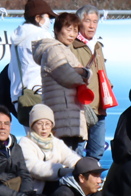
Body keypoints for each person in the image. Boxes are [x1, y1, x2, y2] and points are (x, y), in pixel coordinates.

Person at [33, 12, 90, 150]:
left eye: (75, 31)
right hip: (63, 115)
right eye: (68, 29)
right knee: (67, 163)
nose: (72, 34)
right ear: (57, 30)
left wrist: (82, 72)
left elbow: (81, 73)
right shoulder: (54, 50)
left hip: (69, 114)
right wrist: (84, 72)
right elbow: (69, 77)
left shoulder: (64, 50)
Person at [8, 0, 57, 127]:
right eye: (48, 18)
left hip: (20, 98)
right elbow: (55, 63)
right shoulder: (42, 35)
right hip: (39, 94)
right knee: (44, 142)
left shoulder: (16, 39)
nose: (50, 22)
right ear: (38, 18)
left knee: (32, 140)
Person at [72, 5, 111, 160]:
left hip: (99, 107)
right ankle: (74, 183)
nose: (92, 25)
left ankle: (91, 182)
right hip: (80, 107)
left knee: (97, 151)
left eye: (95, 21)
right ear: (79, 22)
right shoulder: (71, 45)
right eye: (87, 21)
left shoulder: (97, 46)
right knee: (77, 151)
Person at [18, 104, 81, 194]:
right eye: (39, 124)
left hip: (57, 184)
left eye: (47, 124)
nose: (44, 128)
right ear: (32, 125)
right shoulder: (25, 142)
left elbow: (70, 157)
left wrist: (82, 165)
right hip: (36, 189)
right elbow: (33, 167)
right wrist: (59, 171)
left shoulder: (56, 142)